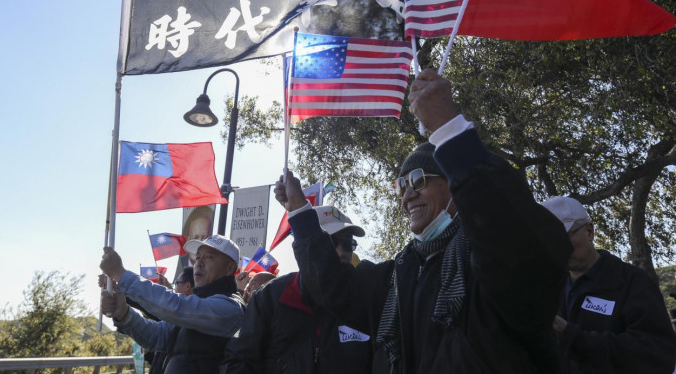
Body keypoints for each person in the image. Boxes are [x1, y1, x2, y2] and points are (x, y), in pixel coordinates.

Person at [274, 68, 573, 373]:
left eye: (417, 180)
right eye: (400, 186)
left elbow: (506, 226)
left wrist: (449, 129)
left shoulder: (492, 257)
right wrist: (299, 211)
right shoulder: (397, 274)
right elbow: (334, 289)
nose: (407, 196)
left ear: (454, 185)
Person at [222, 206, 372, 373]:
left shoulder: (367, 299)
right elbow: (237, 360)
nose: (342, 251)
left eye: (348, 244)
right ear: (305, 243)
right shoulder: (269, 297)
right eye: (330, 241)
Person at [542, 196, 676, 373]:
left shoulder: (632, 282)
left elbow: (656, 355)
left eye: (564, 236)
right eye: (549, 240)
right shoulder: (548, 289)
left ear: (589, 231)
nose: (557, 246)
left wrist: (570, 336)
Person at [100, 234, 245, 373]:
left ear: (230, 268)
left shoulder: (230, 308)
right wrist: (124, 314)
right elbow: (157, 336)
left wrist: (121, 274)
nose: (199, 263)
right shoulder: (200, 304)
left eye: (208, 257)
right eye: (198, 257)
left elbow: (177, 307)